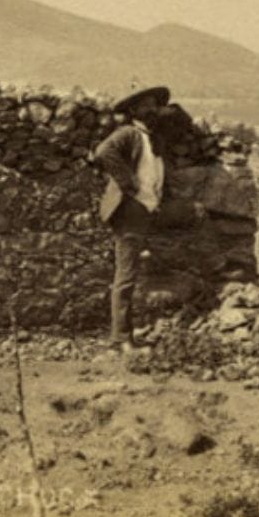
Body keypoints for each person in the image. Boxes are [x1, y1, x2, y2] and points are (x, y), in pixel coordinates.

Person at [91, 86, 170, 353]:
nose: (153, 110)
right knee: (125, 276)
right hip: (130, 210)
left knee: (132, 273)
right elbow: (103, 152)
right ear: (133, 111)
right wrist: (130, 184)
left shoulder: (152, 138)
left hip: (146, 210)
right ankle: (121, 339)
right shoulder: (128, 134)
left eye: (154, 104)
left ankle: (125, 335)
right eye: (146, 105)